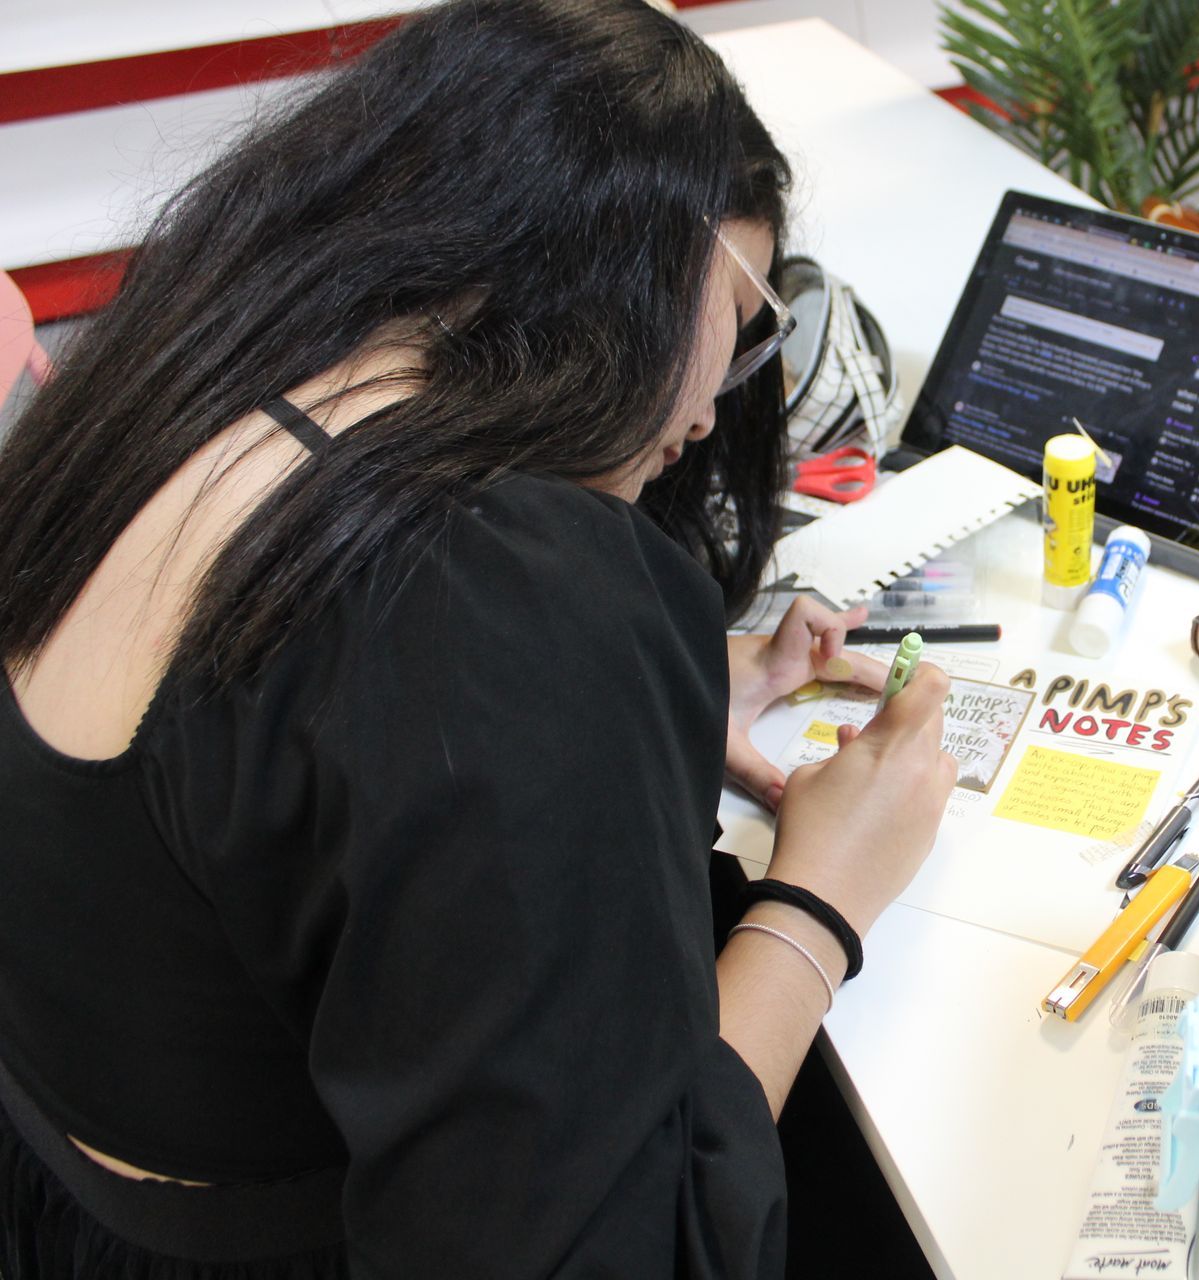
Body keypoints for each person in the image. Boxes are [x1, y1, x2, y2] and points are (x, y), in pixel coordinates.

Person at [0, 1, 956, 1276]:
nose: (715, 397)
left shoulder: (186, 394)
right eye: (743, 305)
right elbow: (613, 1240)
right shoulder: (486, 587)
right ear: (629, 255)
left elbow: (283, 757)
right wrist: (822, 896)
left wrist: (643, 719)